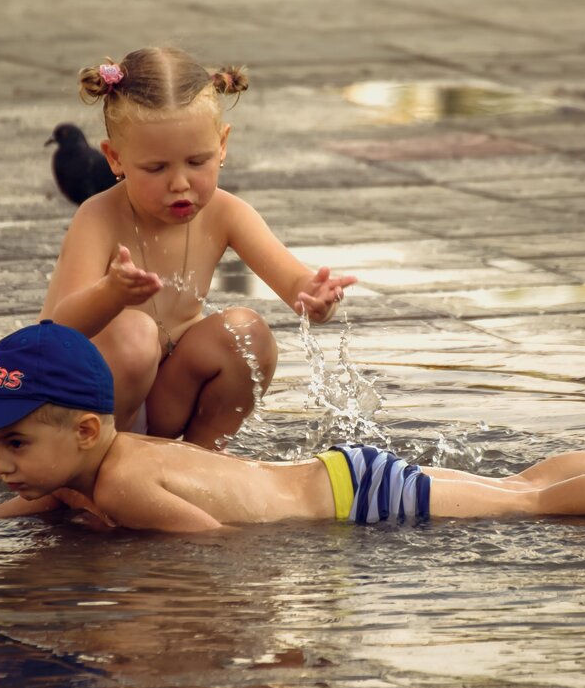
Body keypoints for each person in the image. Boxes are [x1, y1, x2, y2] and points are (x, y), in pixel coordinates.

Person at [0, 322, 585, 534]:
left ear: (85, 432)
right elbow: (55, 492)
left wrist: (114, 529)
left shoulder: (115, 484)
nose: (0, 464)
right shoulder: (110, 459)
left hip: (357, 503)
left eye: (12, 443)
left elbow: (209, 544)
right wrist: (16, 509)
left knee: (530, 505)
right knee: (526, 477)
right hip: (340, 475)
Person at [41, 46, 356, 450]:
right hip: (78, 409)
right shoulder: (98, 217)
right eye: (156, 168)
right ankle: (83, 475)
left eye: (197, 162)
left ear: (222, 146)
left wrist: (316, 296)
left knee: (247, 333)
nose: (179, 183)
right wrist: (110, 294)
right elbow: (56, 332)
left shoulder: (226, 212)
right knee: (135, 332)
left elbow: (295, 283)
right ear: (115, 159)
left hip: (163, 396)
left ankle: (202, 460)